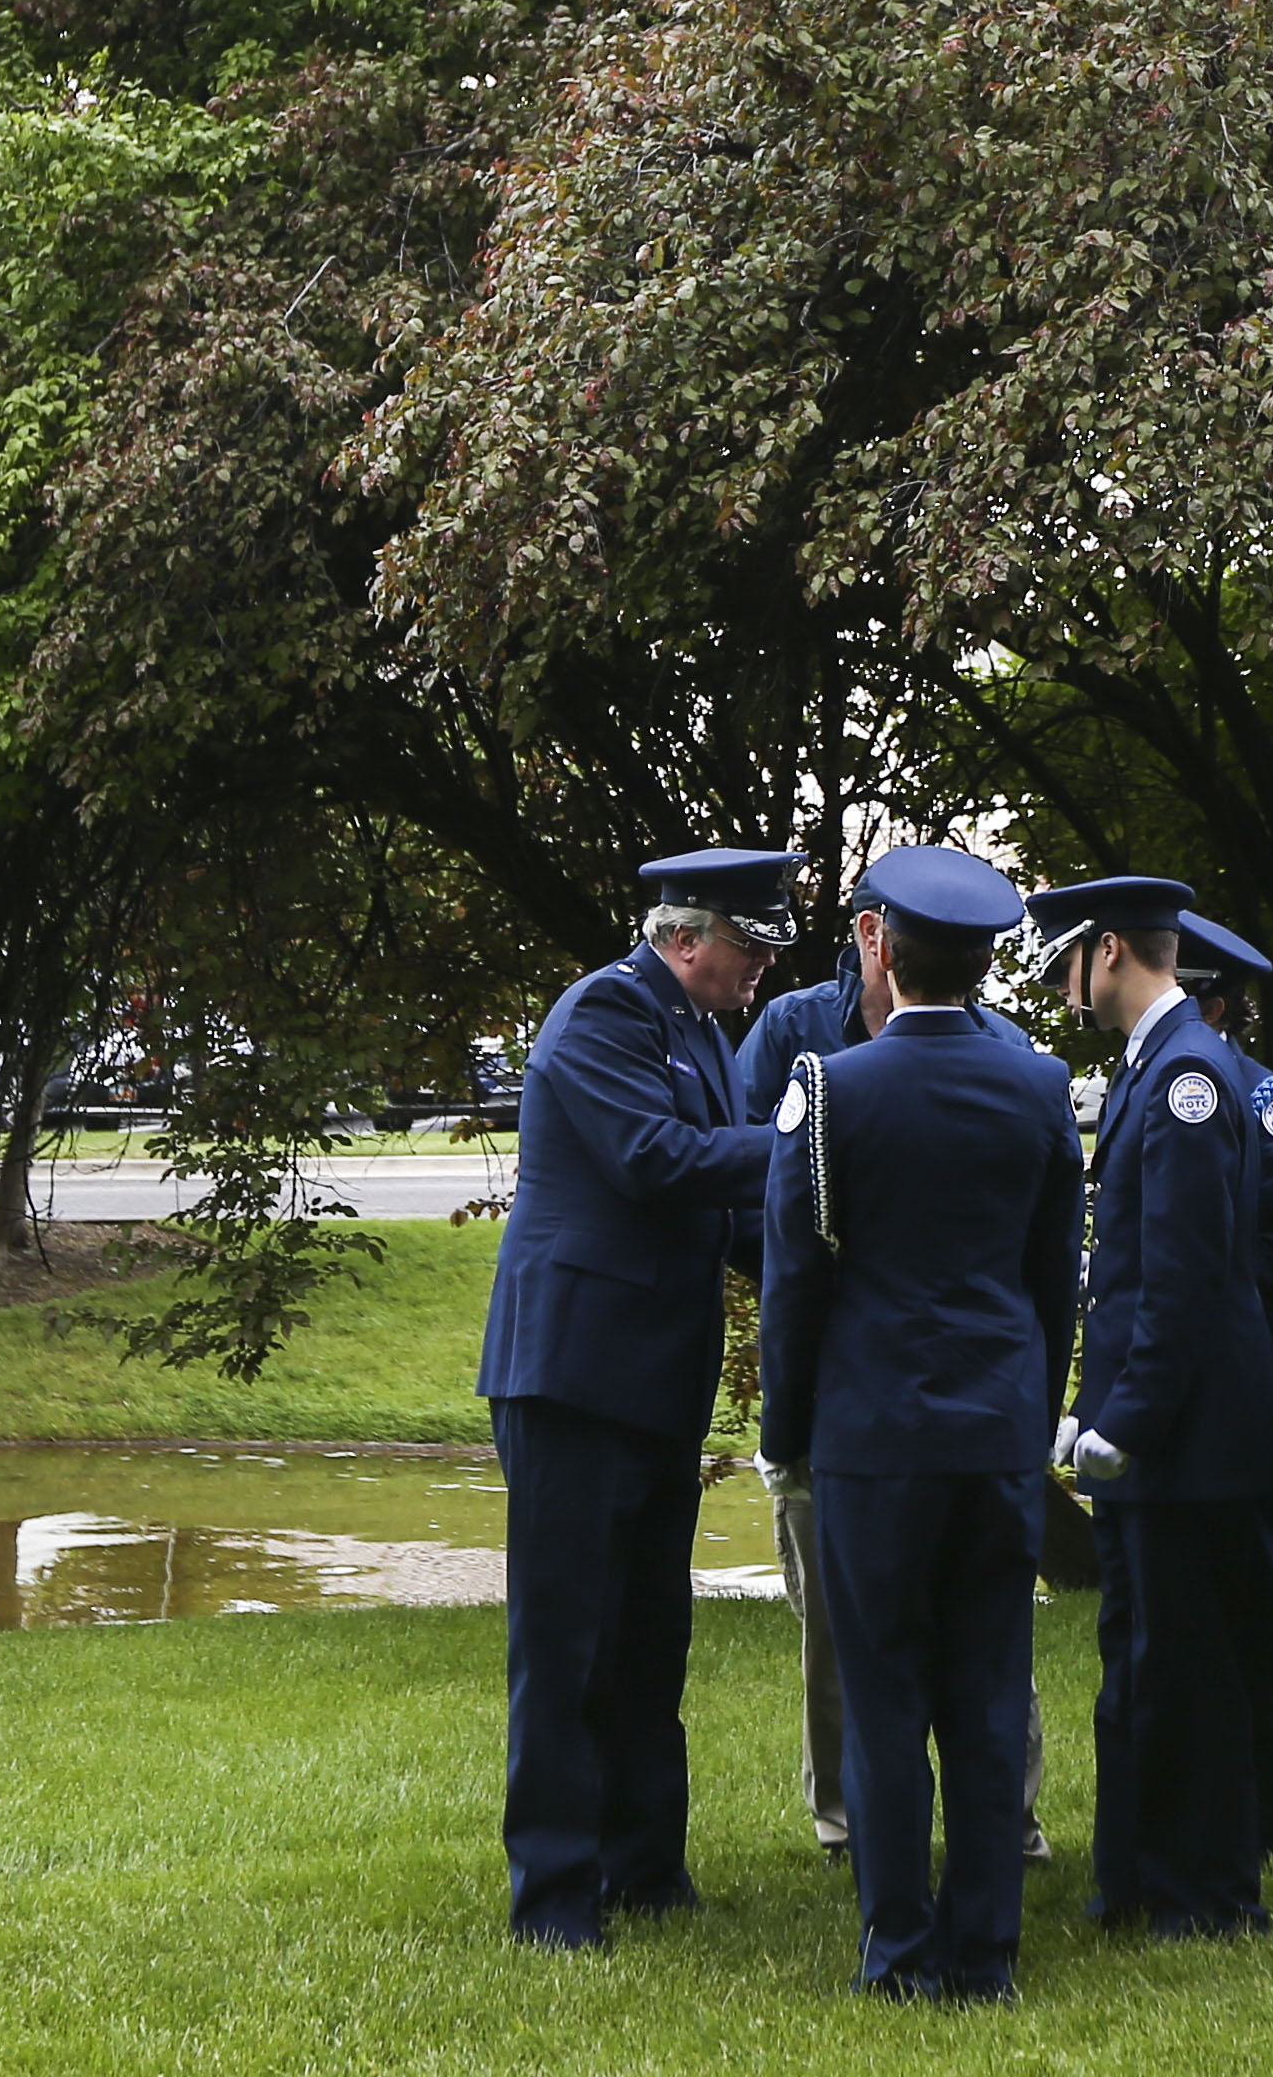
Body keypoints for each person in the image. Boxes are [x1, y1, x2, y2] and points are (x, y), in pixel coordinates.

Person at [755, 844, 1081, 2001]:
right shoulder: (1041, 1088)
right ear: (986, 963)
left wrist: (782, 1433)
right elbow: (1056, 1283)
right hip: (994, 1429)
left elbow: (796, 1286)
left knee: (885, 1700)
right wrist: (1029, 1420)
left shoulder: (830, 1087)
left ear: (881, 948)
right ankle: (988, 1953)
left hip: (873, 1436)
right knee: (988, 1691)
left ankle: (898, 1950)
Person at [474, 845, 792, 1950]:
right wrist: (813, 1145)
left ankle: (646, 1867)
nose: (760, 968)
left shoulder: (701, 1030)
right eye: (751, 947)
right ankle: (555, 1898)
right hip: (572, 1377)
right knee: (566, 1646)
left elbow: (725, 1207)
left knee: (651, 1636)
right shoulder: (605, 1014)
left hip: (651, 1381)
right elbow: (660, 1161)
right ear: (687, 937)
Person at [1040, 869, 1273, 1939]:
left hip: (1187, 1435)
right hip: (1166, 1427)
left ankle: (1206, 1894)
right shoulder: (1163, 1063)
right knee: (1143, 1657)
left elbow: (1185, 1279)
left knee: (1186, 1666)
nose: (1057, 979)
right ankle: (1142, 1879)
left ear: (1108, 951)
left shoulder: (1188, 1074)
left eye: (1064, 956)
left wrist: (1123, 1424)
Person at [1178, 906, 1273, 1869]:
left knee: (1267, 1617)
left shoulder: (1268, 1095)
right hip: (1191, 1387)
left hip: (1261, 1390)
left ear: (1217, 1003)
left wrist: (1206, 1286)